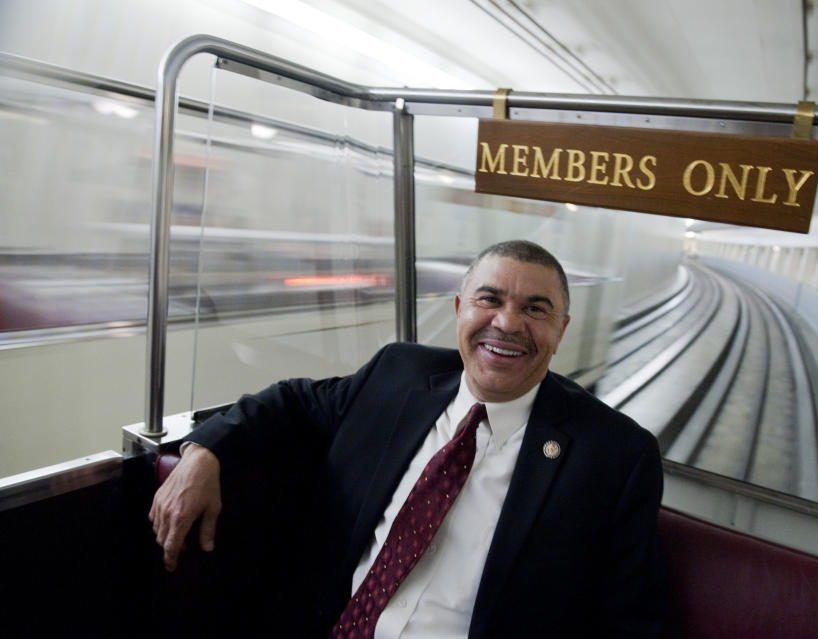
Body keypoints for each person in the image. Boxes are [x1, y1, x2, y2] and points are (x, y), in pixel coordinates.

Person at [150, 239, 666, 638]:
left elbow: (627, 621)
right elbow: (293, 401)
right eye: (490, 299)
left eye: (535, 309)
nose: (507, 322)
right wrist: (204, 450)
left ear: (562, 329)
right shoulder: (398, 375)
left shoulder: (614, 456)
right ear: (462, 307)